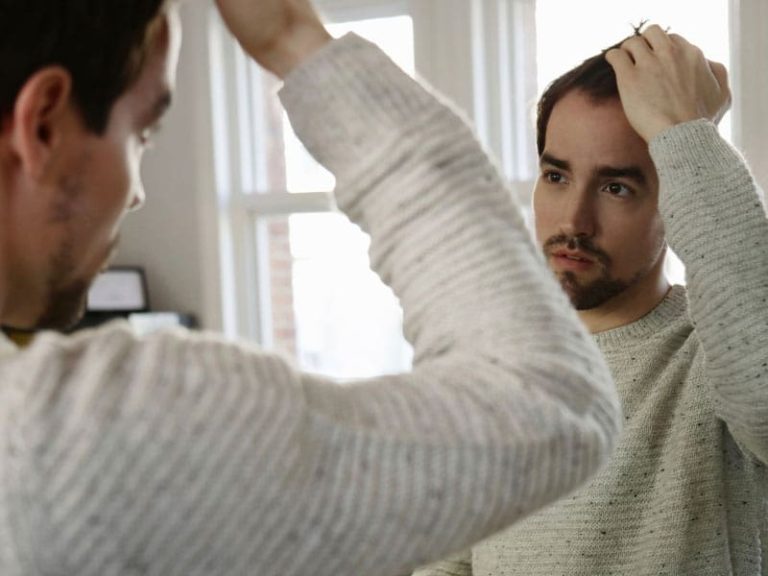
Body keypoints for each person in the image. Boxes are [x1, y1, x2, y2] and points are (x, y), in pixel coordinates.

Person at [0, 0, 621, 574]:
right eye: (142, 133)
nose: (137, 192)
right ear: (43, 126)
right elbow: (550, 404)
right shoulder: (73, 441)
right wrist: (297, 41)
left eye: (619, 185)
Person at [414, 24, 768, 576]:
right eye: (556, 175)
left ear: (674, 197)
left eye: (615, 187)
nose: (572, 221)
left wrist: (686, 132)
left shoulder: (715, 360)